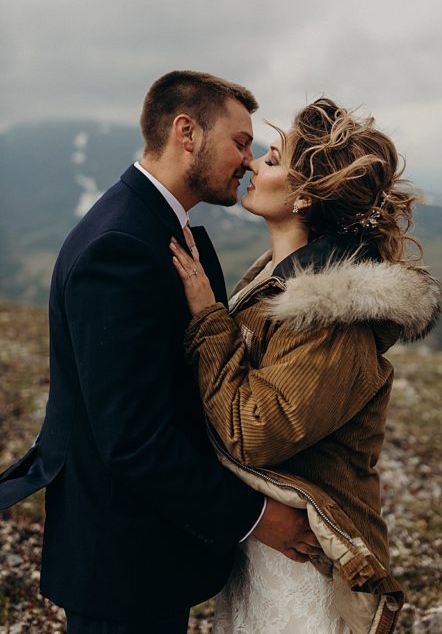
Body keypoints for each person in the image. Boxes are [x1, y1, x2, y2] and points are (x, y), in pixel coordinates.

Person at [0, 71, 317, 632]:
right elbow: (131, 437)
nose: (249, 161)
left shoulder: (164, 229)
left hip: (150, 551)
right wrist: (257, 517)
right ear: (186, 132)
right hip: (121, 563)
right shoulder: (120, 246)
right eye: (240, 143)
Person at [168, 97, 442, 633]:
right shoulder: (277, 280)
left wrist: (207, 321)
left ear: (303, 199)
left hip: (310, 560)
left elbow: (253, 432)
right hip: (273, 542)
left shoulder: (328, 314)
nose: (252, 164)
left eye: (272, 161)